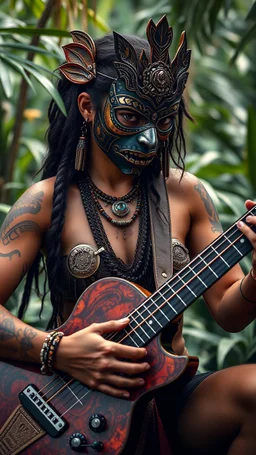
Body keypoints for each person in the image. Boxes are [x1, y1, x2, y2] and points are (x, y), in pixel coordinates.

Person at [0, 14, 256, 455]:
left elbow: (230, 312)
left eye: (161, 122)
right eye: (131, 116)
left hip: (167, 396)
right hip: (75, 403)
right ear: (86, 107)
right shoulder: (42, 202)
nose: (150, 139)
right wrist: (57, 350)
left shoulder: (188, 194)